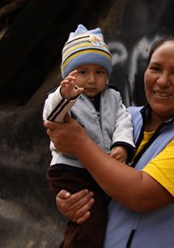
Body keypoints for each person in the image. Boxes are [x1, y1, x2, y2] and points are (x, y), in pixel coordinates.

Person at [44, 34, 174, 248]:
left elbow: (141, 196)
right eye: (155, 69)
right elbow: (87, 170)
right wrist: (70, 200)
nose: (162, 81)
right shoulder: (126, 117)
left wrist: (80, 144)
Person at [42, 24, 135, 248]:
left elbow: (123, 122)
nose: (92, 80)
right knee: (91, 218)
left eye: (99, 72)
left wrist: (122, 146)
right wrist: (66, 96)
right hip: (70, 169)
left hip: (97, 168)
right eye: (82, 72)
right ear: (69, 75)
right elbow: (52, 117)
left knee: (84, 220)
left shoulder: (113, 97)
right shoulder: (62, 97)